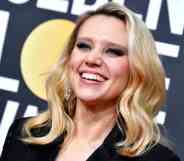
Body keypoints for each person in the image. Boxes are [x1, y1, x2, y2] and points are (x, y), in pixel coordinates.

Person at [0, 2, 181, 161]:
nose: (92, 59)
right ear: (69, 57)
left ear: (137, 70)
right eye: (84, 46)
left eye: (113, 51)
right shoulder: (24, 134)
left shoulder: (158, 159)